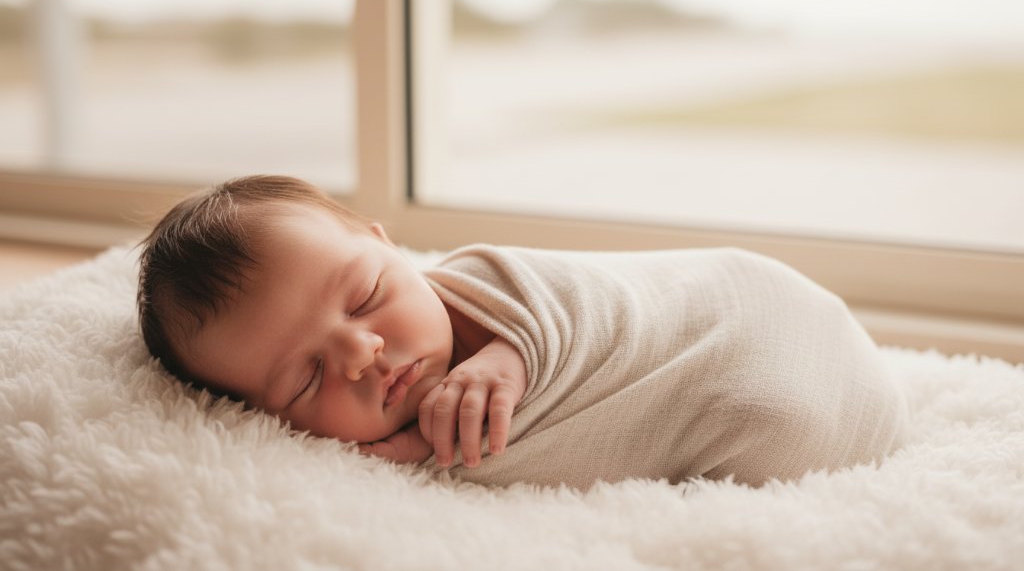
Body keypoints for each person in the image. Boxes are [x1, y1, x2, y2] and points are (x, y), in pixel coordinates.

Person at [137, 174, 909, 489]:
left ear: (390, 246)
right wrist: (427, 458)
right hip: (763, 430)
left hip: (756, 310)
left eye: (368, 294)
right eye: (305, 379)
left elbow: (606, 301)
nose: (361, 354)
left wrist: (512, 354)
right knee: (763, 424)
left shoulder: (488, 283)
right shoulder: (370, 462)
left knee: (766, 402)